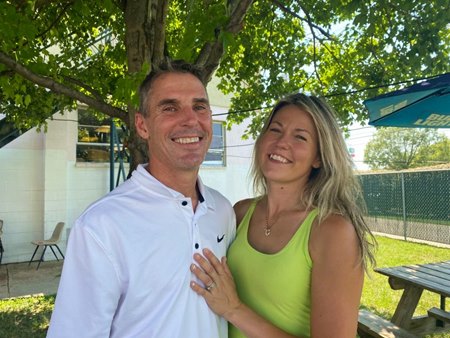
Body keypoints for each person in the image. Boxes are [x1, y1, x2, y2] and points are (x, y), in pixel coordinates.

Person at [47, 61, 236, 338]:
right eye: (170, 107)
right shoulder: (101, 225)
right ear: (142, 125)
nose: (190, 119)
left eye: (199, 106)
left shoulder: (222, 210)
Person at [190, 93, 376, 338]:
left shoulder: (332, 231)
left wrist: (234, 309)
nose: (281, 143)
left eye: (300, 137)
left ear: (319, 157)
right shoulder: (240, 212)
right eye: (275, 130)